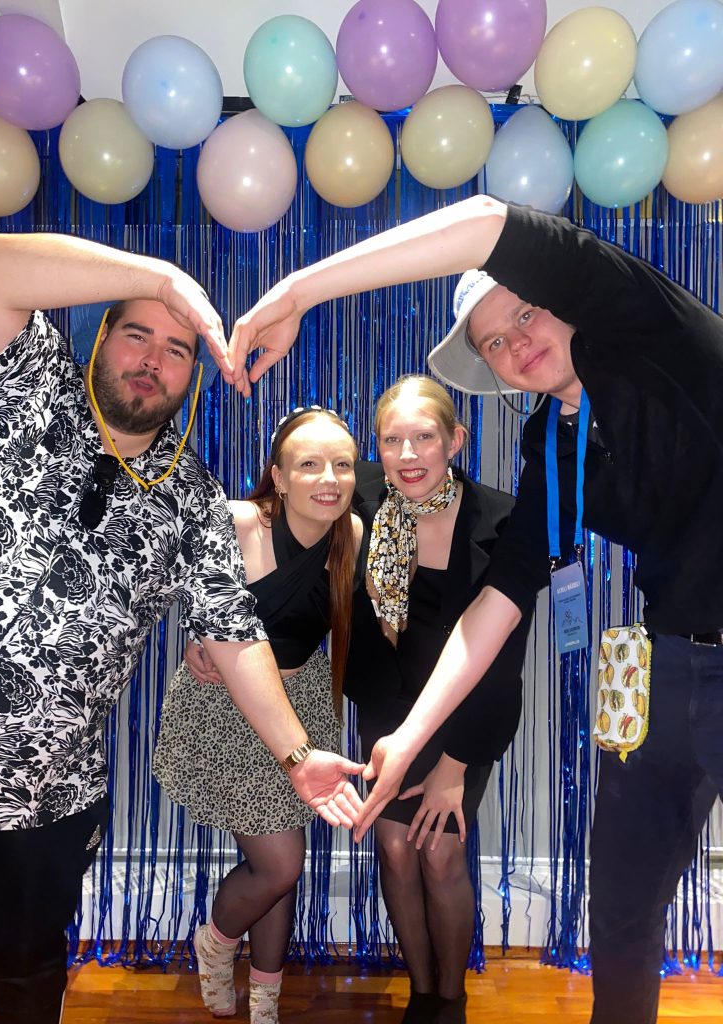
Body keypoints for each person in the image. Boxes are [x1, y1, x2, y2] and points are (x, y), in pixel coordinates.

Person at [227, 194, 723, 1024]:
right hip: (669, 662)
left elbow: (490, 220)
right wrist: (408, 740)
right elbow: (500, 599)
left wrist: (298, 292)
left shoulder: (647, 330)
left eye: (525, 314)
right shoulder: (548, 443)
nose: (516, 342)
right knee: (622, 907)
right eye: (494, 341)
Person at [0, 233, 362, 1024]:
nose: (153, 359)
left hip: (39, 789)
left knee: (25, 976)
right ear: (100, 337)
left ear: (195, 376)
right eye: (137, 333)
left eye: (177, 350)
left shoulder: (192, 499)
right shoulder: (24, 379)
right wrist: (165, 279)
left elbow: (235, 633)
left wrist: (298, 755)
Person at [154, 405, 361, 1023]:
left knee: (280, 866)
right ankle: (216, 945)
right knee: (280, 864)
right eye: (309, 464)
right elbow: (177, 582)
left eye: (342, 464)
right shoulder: (240, 521)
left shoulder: (353, 534)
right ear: (278, 475)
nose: (328, 479)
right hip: (227, 712)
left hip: (305, 709)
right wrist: (196, 635)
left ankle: (265, 999)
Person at [345, 375, 531, 1024]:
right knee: (395, 850)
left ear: (456, 440)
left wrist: (455, 766)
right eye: (390, 440)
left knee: (440, 851)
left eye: (423, 437)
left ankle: (450, 1002)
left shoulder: (503, 520)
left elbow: (502, 661)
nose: (406, 455)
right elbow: (274, 514)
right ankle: (420, 994)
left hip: (466, 717)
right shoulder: (359, 495)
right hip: (388, 711)